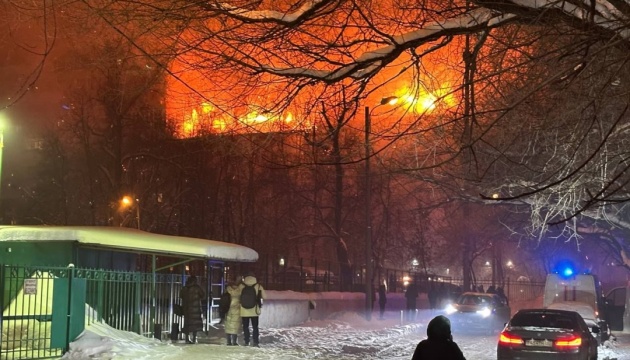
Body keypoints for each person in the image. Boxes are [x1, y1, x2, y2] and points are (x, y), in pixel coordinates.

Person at [239, 272, 266, 347]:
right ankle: (255, 342)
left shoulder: (241, 286)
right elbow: (265, 296)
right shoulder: (258, 286)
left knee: (245, 326)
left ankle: (246, 341)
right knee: (255, 327)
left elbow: (238, 296)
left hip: (244, 310)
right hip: (254, 310)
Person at [179, 275, 205, 344]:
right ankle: (194, 338)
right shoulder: (197, 288)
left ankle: (187, 338)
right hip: (195, 310)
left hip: (187, 309)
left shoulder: (184, 288)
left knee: (187, 324)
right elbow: (203, 295)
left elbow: (180, 295)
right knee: (195, 325)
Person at [224, 278, 242, 346]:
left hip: (228, 308)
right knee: (235, 326)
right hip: (237, 309)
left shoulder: (228, 289)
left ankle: (228, 341)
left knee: (228, 325)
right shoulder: (240, 290)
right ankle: (234, 341)